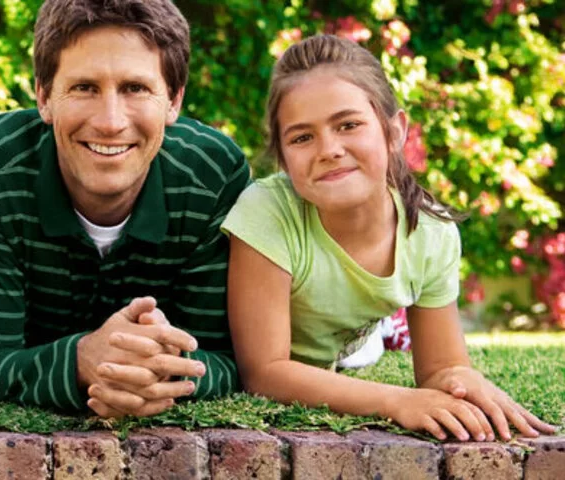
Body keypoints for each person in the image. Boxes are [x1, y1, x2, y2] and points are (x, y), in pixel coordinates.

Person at [224, 34, 557, 442]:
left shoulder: (431, 235)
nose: (328, 149)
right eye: (301, 137)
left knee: (371, 351)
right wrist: (396, 400)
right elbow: (265, 372)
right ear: (282, 156)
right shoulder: (268, 212)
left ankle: (373, 341)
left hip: (334, 357)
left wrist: (461, 379)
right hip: (241, 357)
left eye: (348, 125)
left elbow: (439, 369)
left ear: (395, 130)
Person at [0, 0, 250, 417]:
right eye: (84, 87)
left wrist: (156, 372)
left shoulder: (213, 176)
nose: (110, 121)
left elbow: (234, 362)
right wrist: (79, 362)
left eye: (135, 88)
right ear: (43, 97)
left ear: (174, 101)